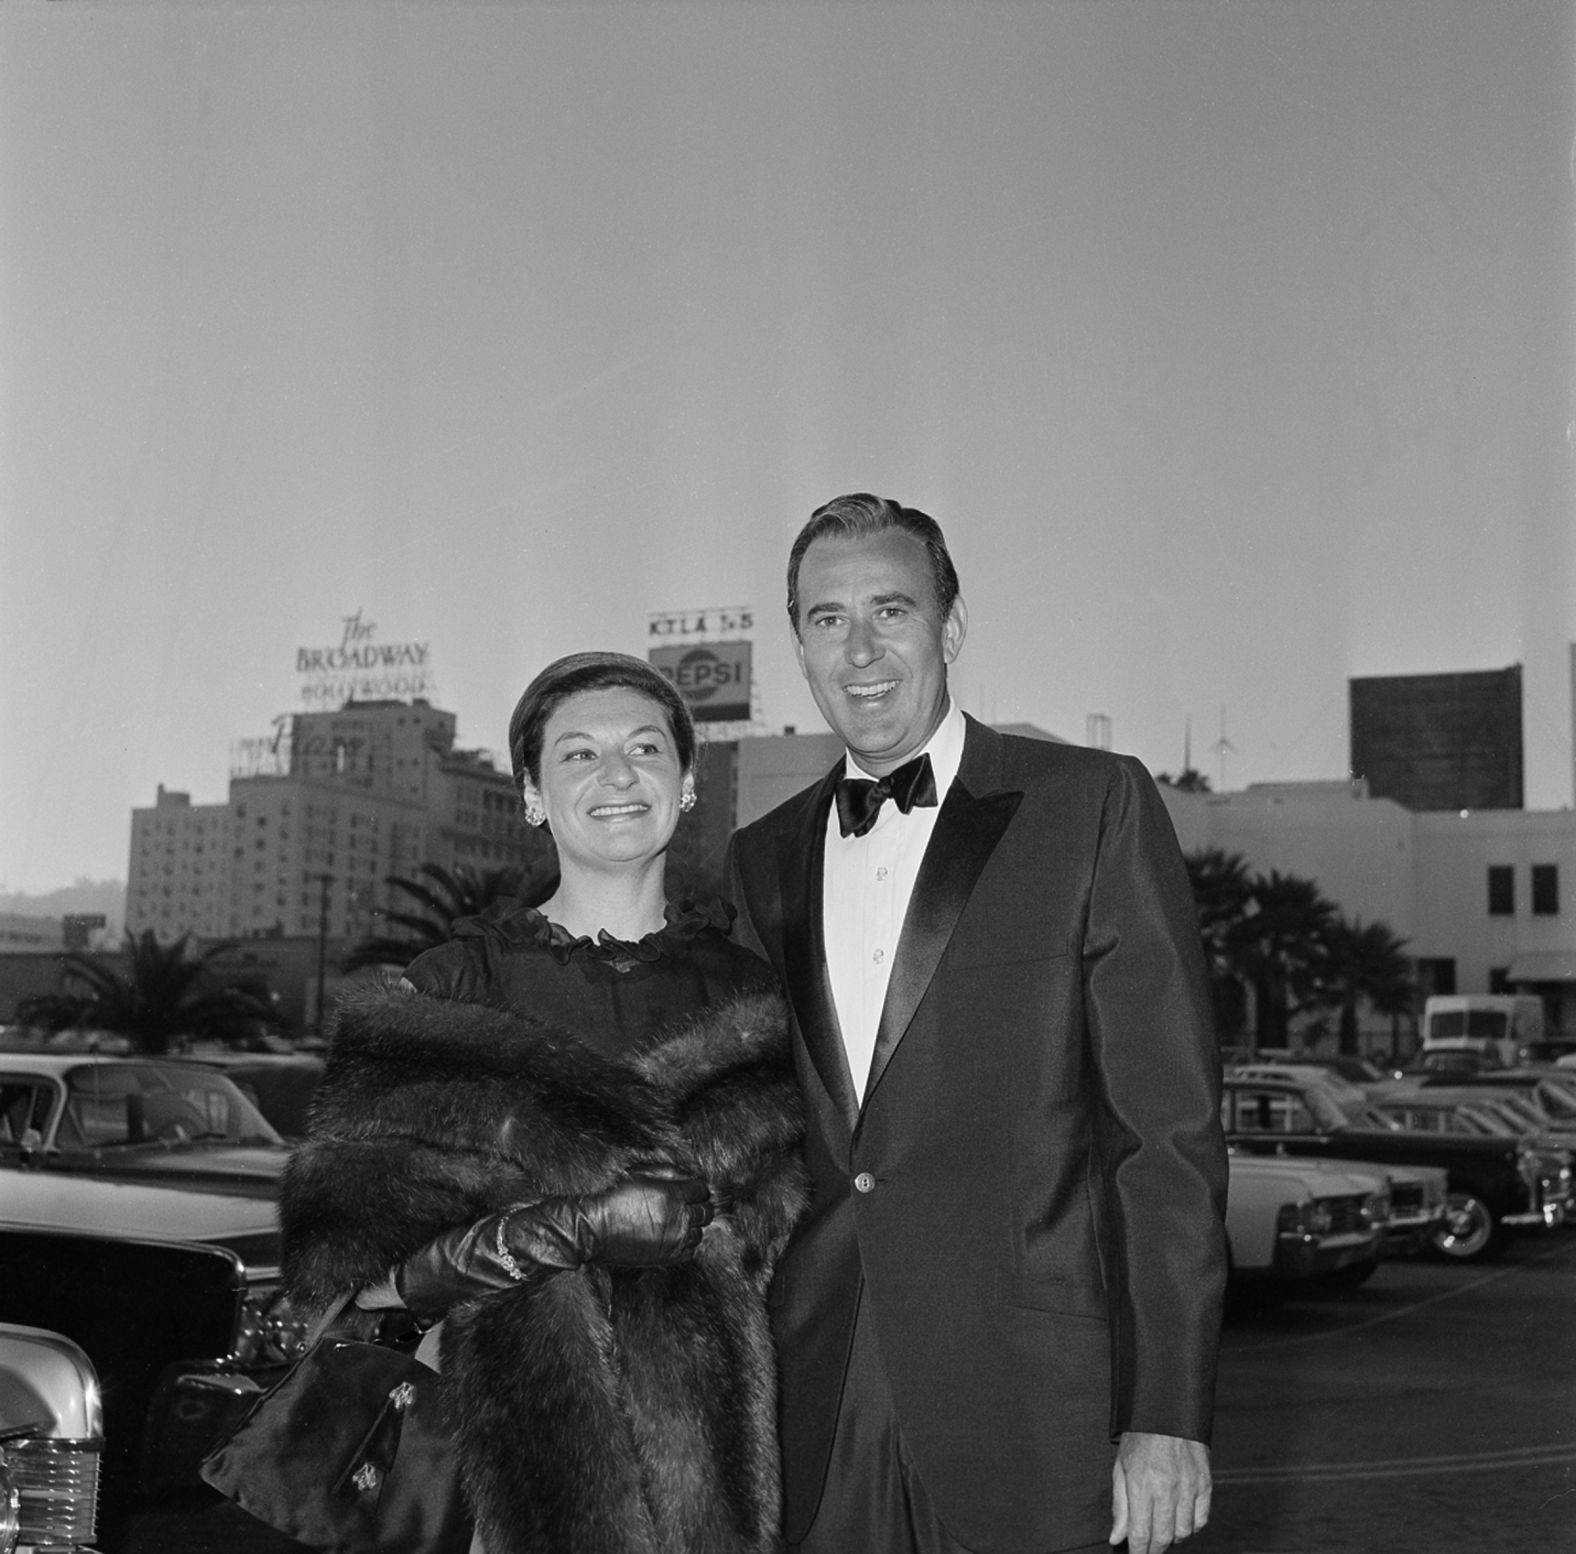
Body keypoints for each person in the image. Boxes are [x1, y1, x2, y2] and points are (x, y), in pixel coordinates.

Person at [725, 495, 1228, 1554]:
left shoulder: (1092, 804)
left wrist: (1166, 1413)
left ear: (948, 629)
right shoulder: (759, 857)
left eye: (890, 611)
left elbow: (1165, 1140)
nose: (858, 649)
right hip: (817, 1393)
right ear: (798, 644)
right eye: (825, 620)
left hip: (1036, 1402)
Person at [280, 651, 808, 1554]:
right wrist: (564, 1230)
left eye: (646, 749)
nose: (616, 775)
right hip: (496, 1475)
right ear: (532, 793)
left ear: (684, 786)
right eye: (578, 755)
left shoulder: (759, 1001)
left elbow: (800, 1259)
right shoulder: (450, 989)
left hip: (707, 1474)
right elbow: (343, 1270)